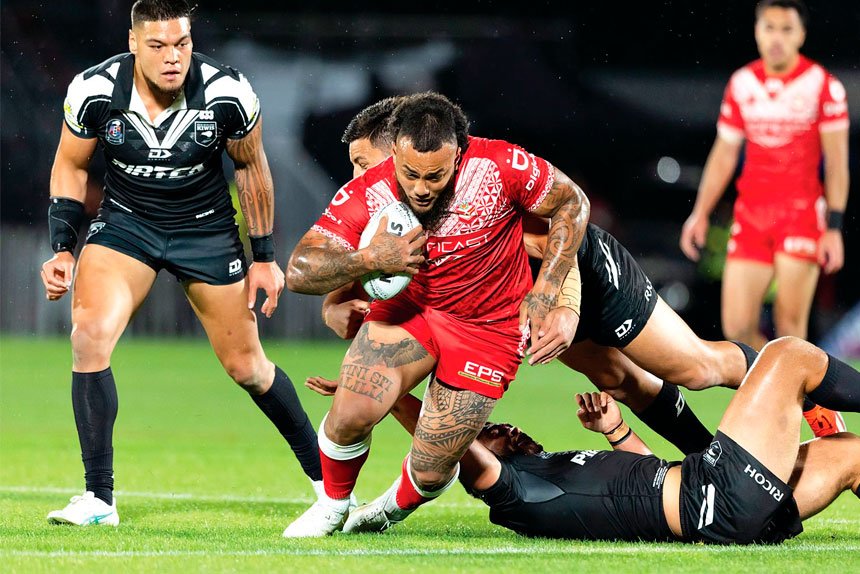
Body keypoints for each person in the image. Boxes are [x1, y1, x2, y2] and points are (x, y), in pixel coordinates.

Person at [319, 97, 837, 455]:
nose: (358, 179)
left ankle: (810, 389)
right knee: (620, 380)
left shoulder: (464, 184)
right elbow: (340, 285)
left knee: (694, 368)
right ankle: (713, 461)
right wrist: (337, 308)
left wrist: (563, 303)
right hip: (525, 309)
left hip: (583, 274)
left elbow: (555, 234)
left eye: (365, 163)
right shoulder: (385, 213)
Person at [40, 0, 322, 526]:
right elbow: (70, 163)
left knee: (248, 368)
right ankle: (99, 500)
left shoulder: (227, 91)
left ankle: (329, 484)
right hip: (126, 226)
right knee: (89, 334)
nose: (173, 57)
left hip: (208, 230)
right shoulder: (95, 90)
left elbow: (252, 170)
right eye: (158, 45)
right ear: (132, 43)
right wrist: (62, 246)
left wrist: (264, 258)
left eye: (182, 44)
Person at [282, 91, 590, 536]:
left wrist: (548, 290)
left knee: (430, 469)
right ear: (397, 153)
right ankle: (332, 505)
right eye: (411, 174)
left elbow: (572, 203)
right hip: (411, 311)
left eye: (435, 175)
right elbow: (299, 269)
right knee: (351, 412)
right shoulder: (372, 189)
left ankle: (385, 510)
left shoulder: (500, 167)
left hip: (487, 330)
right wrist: (369, 259)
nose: (422, 188)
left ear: (459, 154)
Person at [310, 336, 860, 542]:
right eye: (494, 435)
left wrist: (615, 431)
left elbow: (646, 484)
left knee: (854, 454)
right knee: (788, 356)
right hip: (714, 497)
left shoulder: (552, 467)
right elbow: (446, 436)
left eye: (501, 426)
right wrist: (380, 392)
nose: (506, 429)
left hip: (715, 505)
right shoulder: (512, 494)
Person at [679, 0, 849, 432]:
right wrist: (699, 213)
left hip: (800, 218)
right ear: (756, 31)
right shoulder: (742, 84)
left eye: (786, 28)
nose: (776, 37)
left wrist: (833, 227)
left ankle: (806, 419)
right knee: (737, 329)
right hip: (751, 217)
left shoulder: (822, 86)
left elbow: (838, 162)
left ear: (801, 34)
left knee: (791, 327)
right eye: (768, 27)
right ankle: (795, 406)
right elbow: (723, 154)